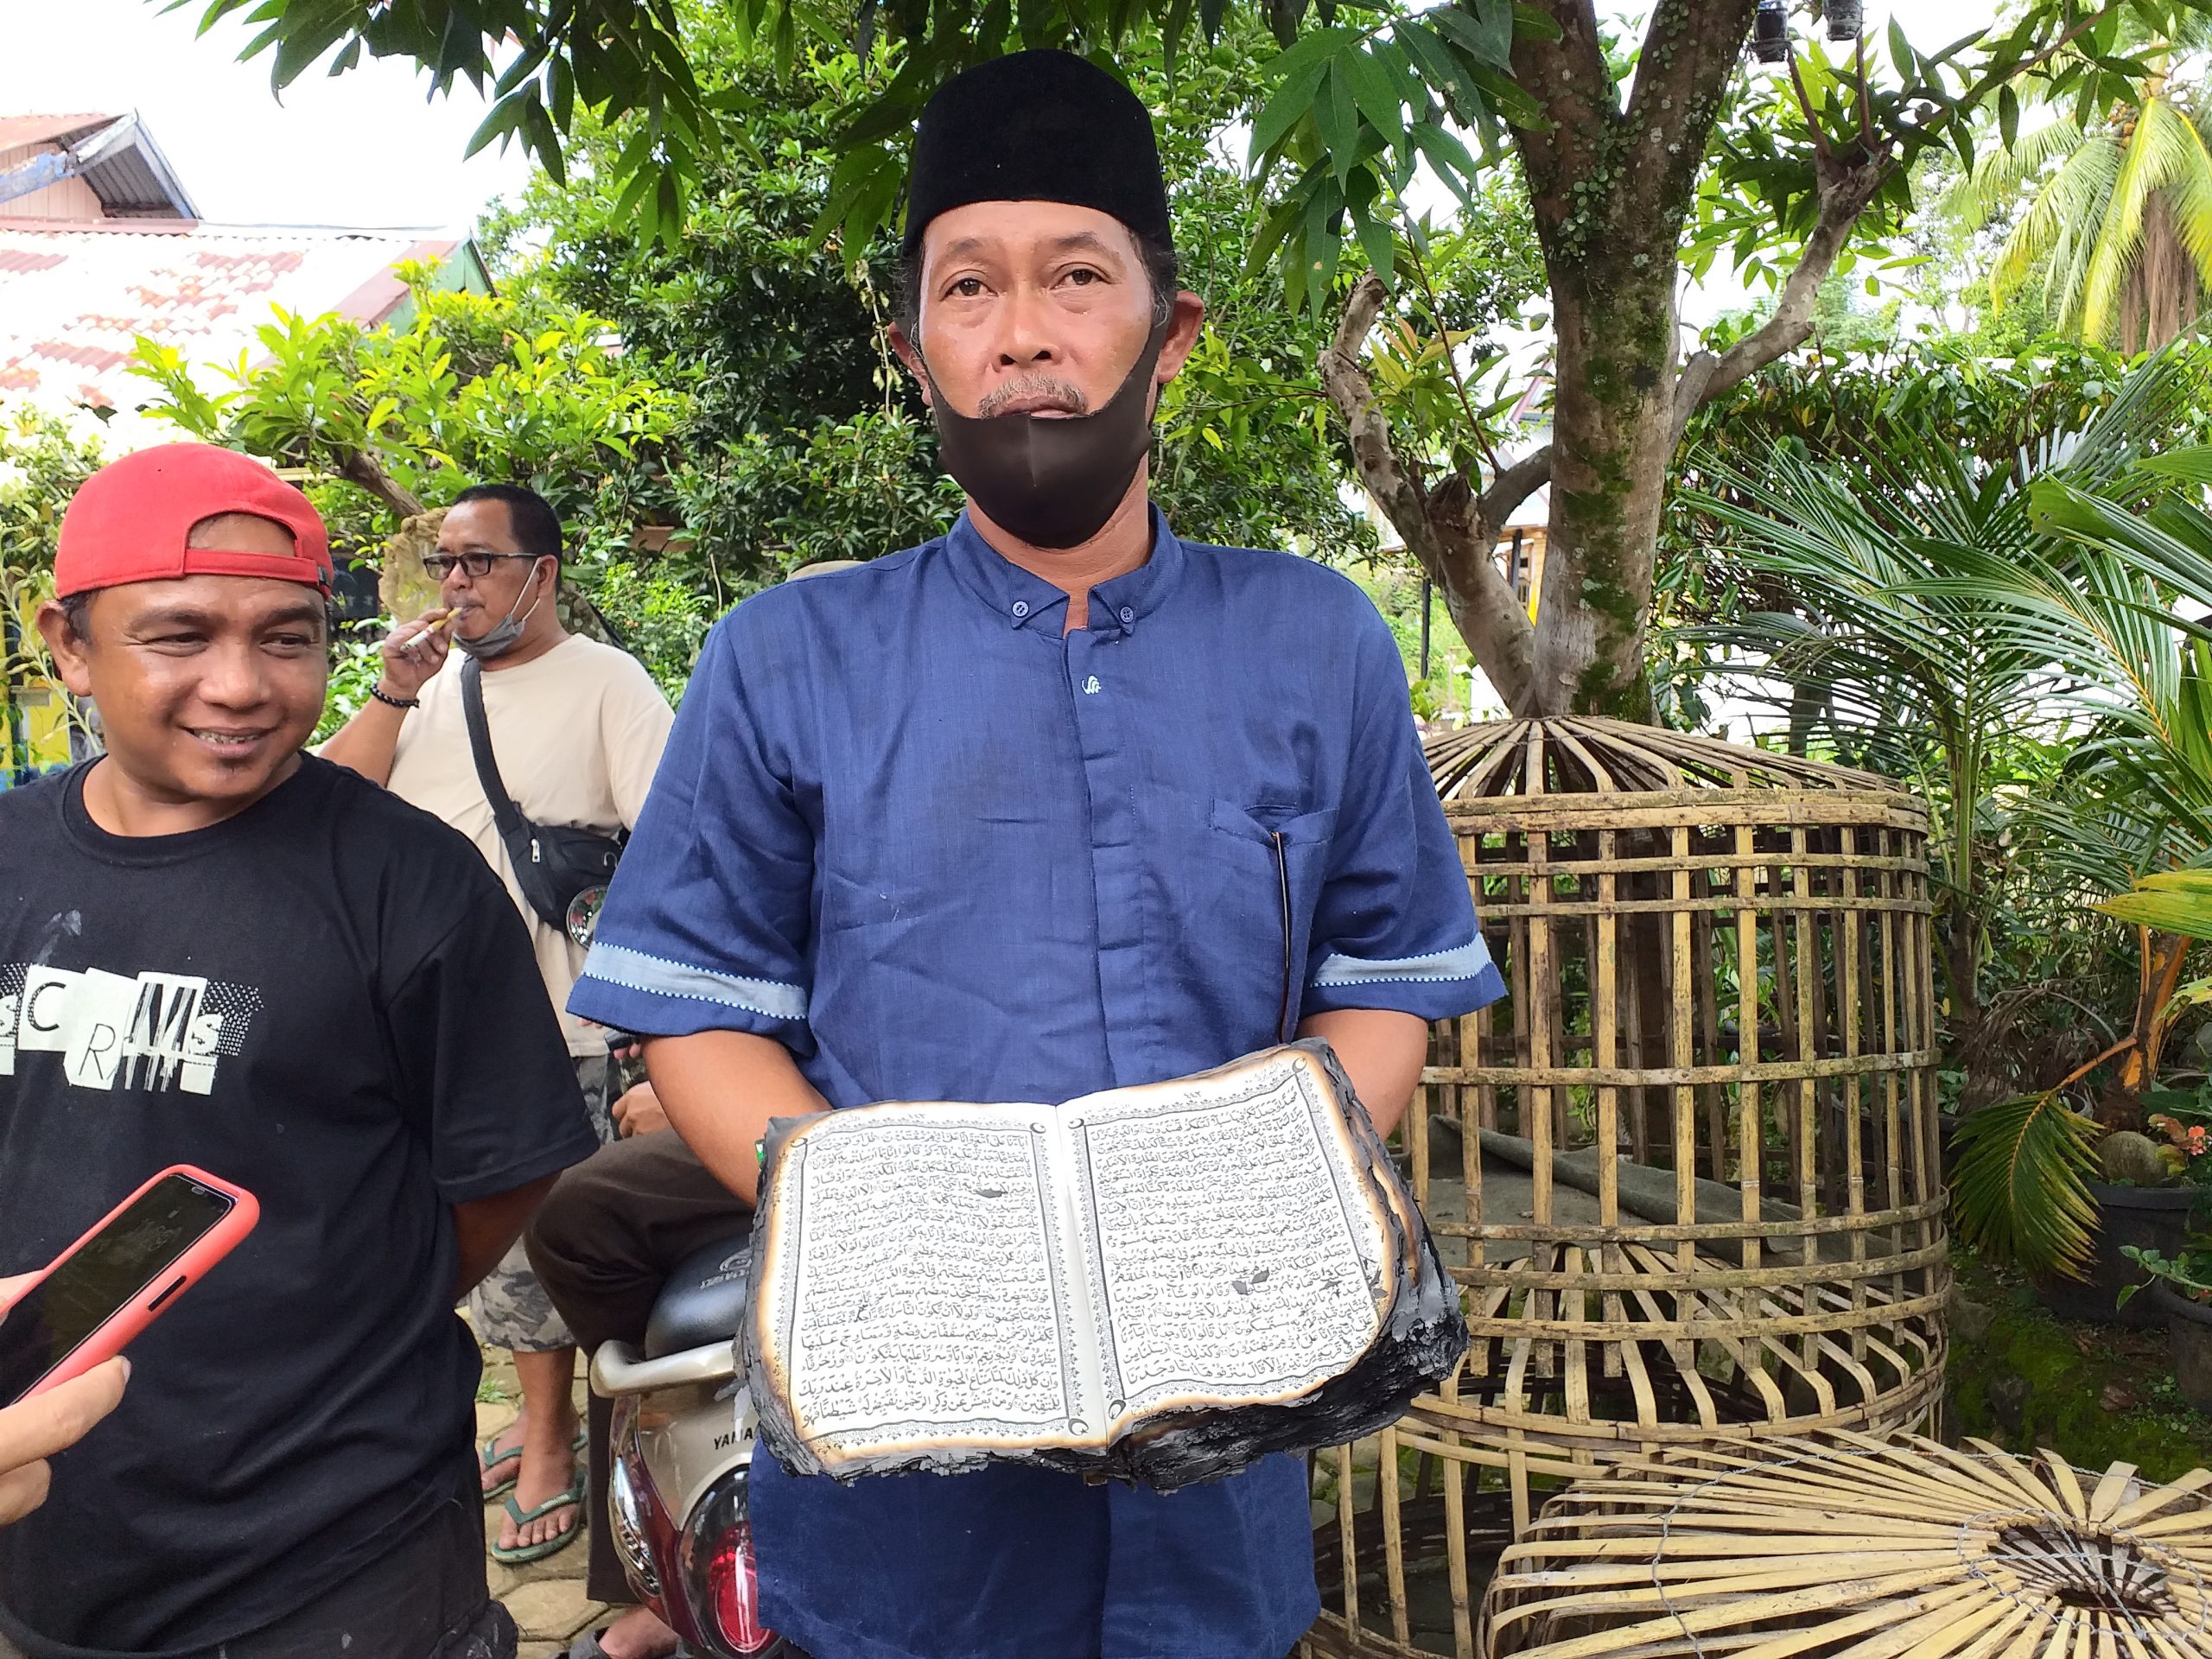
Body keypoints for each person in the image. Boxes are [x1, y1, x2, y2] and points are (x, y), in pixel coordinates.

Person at [562, 51, 1506, 1659]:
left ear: (1172, 330)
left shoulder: (1316, 641)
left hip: (1220, 1462)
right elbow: (698, 1014)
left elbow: (1379, 974)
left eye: (1079, 278)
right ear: (911, 344)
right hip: (897, 1495)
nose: (1023, 338)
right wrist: (908, 1240)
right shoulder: (787, 656)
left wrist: (1251, 1211)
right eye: (968, 288)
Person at [0, 444, 600, 1659]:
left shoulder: (412, 885)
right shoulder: (11, 857)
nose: (243, 686)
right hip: (43, 1514)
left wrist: (349, 1325)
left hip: (335, 1546)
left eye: (287, 637)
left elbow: (503, 1169)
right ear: (70, 643)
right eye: (178, 636)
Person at [321, 484, 676, 1573]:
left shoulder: (607, 682)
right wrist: (390, 691)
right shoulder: (423, 690)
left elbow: (670, 847)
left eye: (480, 562)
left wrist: (655, 1032)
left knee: (547, 1239)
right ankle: (534, 1421)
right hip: (438, 1024)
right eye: (446, 563)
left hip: (564, 1019)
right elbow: (325, 803)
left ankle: (550, 1452)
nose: (458, 585)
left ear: (543, 573)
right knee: (481, 1246)